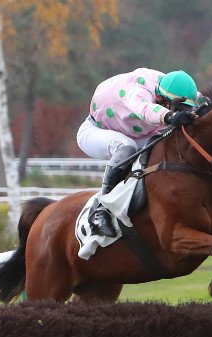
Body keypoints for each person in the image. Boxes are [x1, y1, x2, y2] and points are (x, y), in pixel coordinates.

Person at [77, 68, 200, 237]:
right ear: (161, 99)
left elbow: (202, 100)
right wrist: (171, 116)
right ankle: (100, 210)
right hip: (95, 130)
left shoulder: (173, 88)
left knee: (163, 145)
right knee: (126, 148)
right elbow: (146, 109)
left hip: (137, 133)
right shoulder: (138, 92)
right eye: (176, 108)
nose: (178, 111)